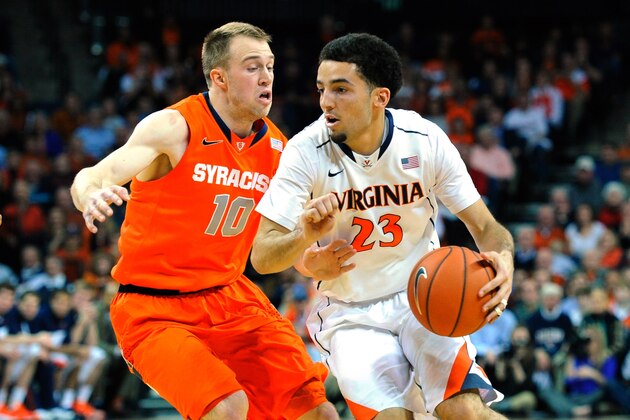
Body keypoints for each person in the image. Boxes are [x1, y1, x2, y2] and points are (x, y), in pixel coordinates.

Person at [70, 22, 337, 420]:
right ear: (219, 77)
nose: (266, 78)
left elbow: (278, 251)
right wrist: (91, 194)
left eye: (270, 66)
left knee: (317, 411)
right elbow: (94, 174)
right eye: (252, 67)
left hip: (230, 298)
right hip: (153, 308)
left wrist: (309, 251)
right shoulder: (174, 127)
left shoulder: (280, 149)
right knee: (228, 408)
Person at [251, 33, 515, 419]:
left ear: (380, 98)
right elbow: (262, 256)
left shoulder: (424, 140)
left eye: (341, 89)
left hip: (424, 298)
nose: (326, 102)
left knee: (465, 412)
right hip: (349, 312)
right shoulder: (303, 152)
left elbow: (486, 227)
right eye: (322, 88)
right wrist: (305, 240)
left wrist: (504, 258)